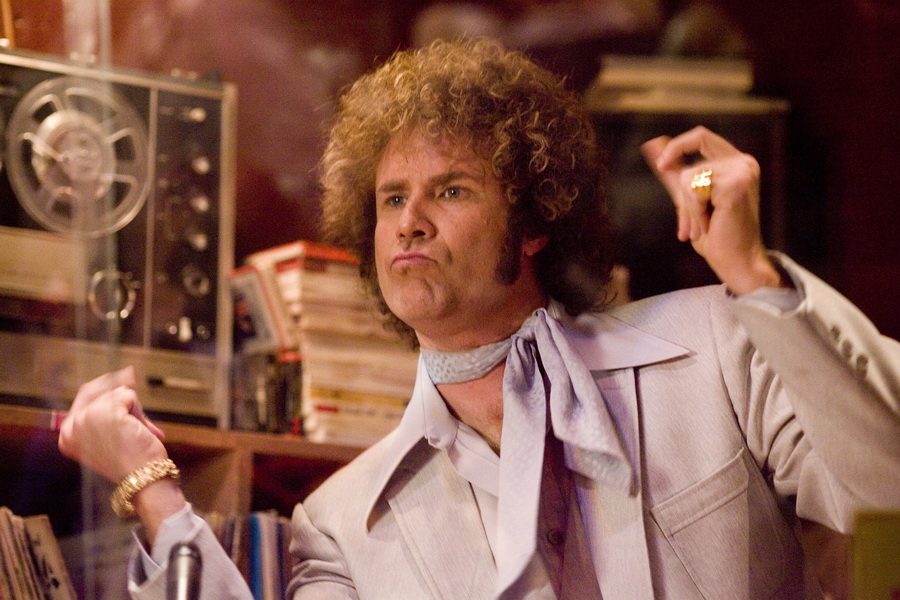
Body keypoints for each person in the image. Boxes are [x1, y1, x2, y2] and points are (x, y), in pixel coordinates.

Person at [59, 38, 900, 599]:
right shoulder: (342, 526)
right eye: (393, 199)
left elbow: (887, 499)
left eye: (451, 190)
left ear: (533, 222)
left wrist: (754, 279)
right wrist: (153, 492)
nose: (411, 223)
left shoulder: (722, 344)